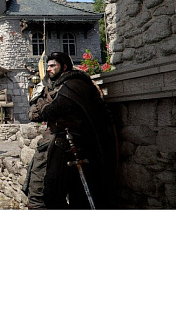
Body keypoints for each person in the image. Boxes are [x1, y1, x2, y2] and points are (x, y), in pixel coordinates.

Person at [25, 51, 117, 209]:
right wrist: (44, 106)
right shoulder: (53, 86)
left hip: (74, 144)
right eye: (48, 66)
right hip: (54, 143)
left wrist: (43, 105)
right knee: (41, 190)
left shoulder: (75, 84)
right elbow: (32, 114)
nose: (48, 69)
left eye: (53, 65)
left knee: (59, 193)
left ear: (64, 67)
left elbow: (53, 110)